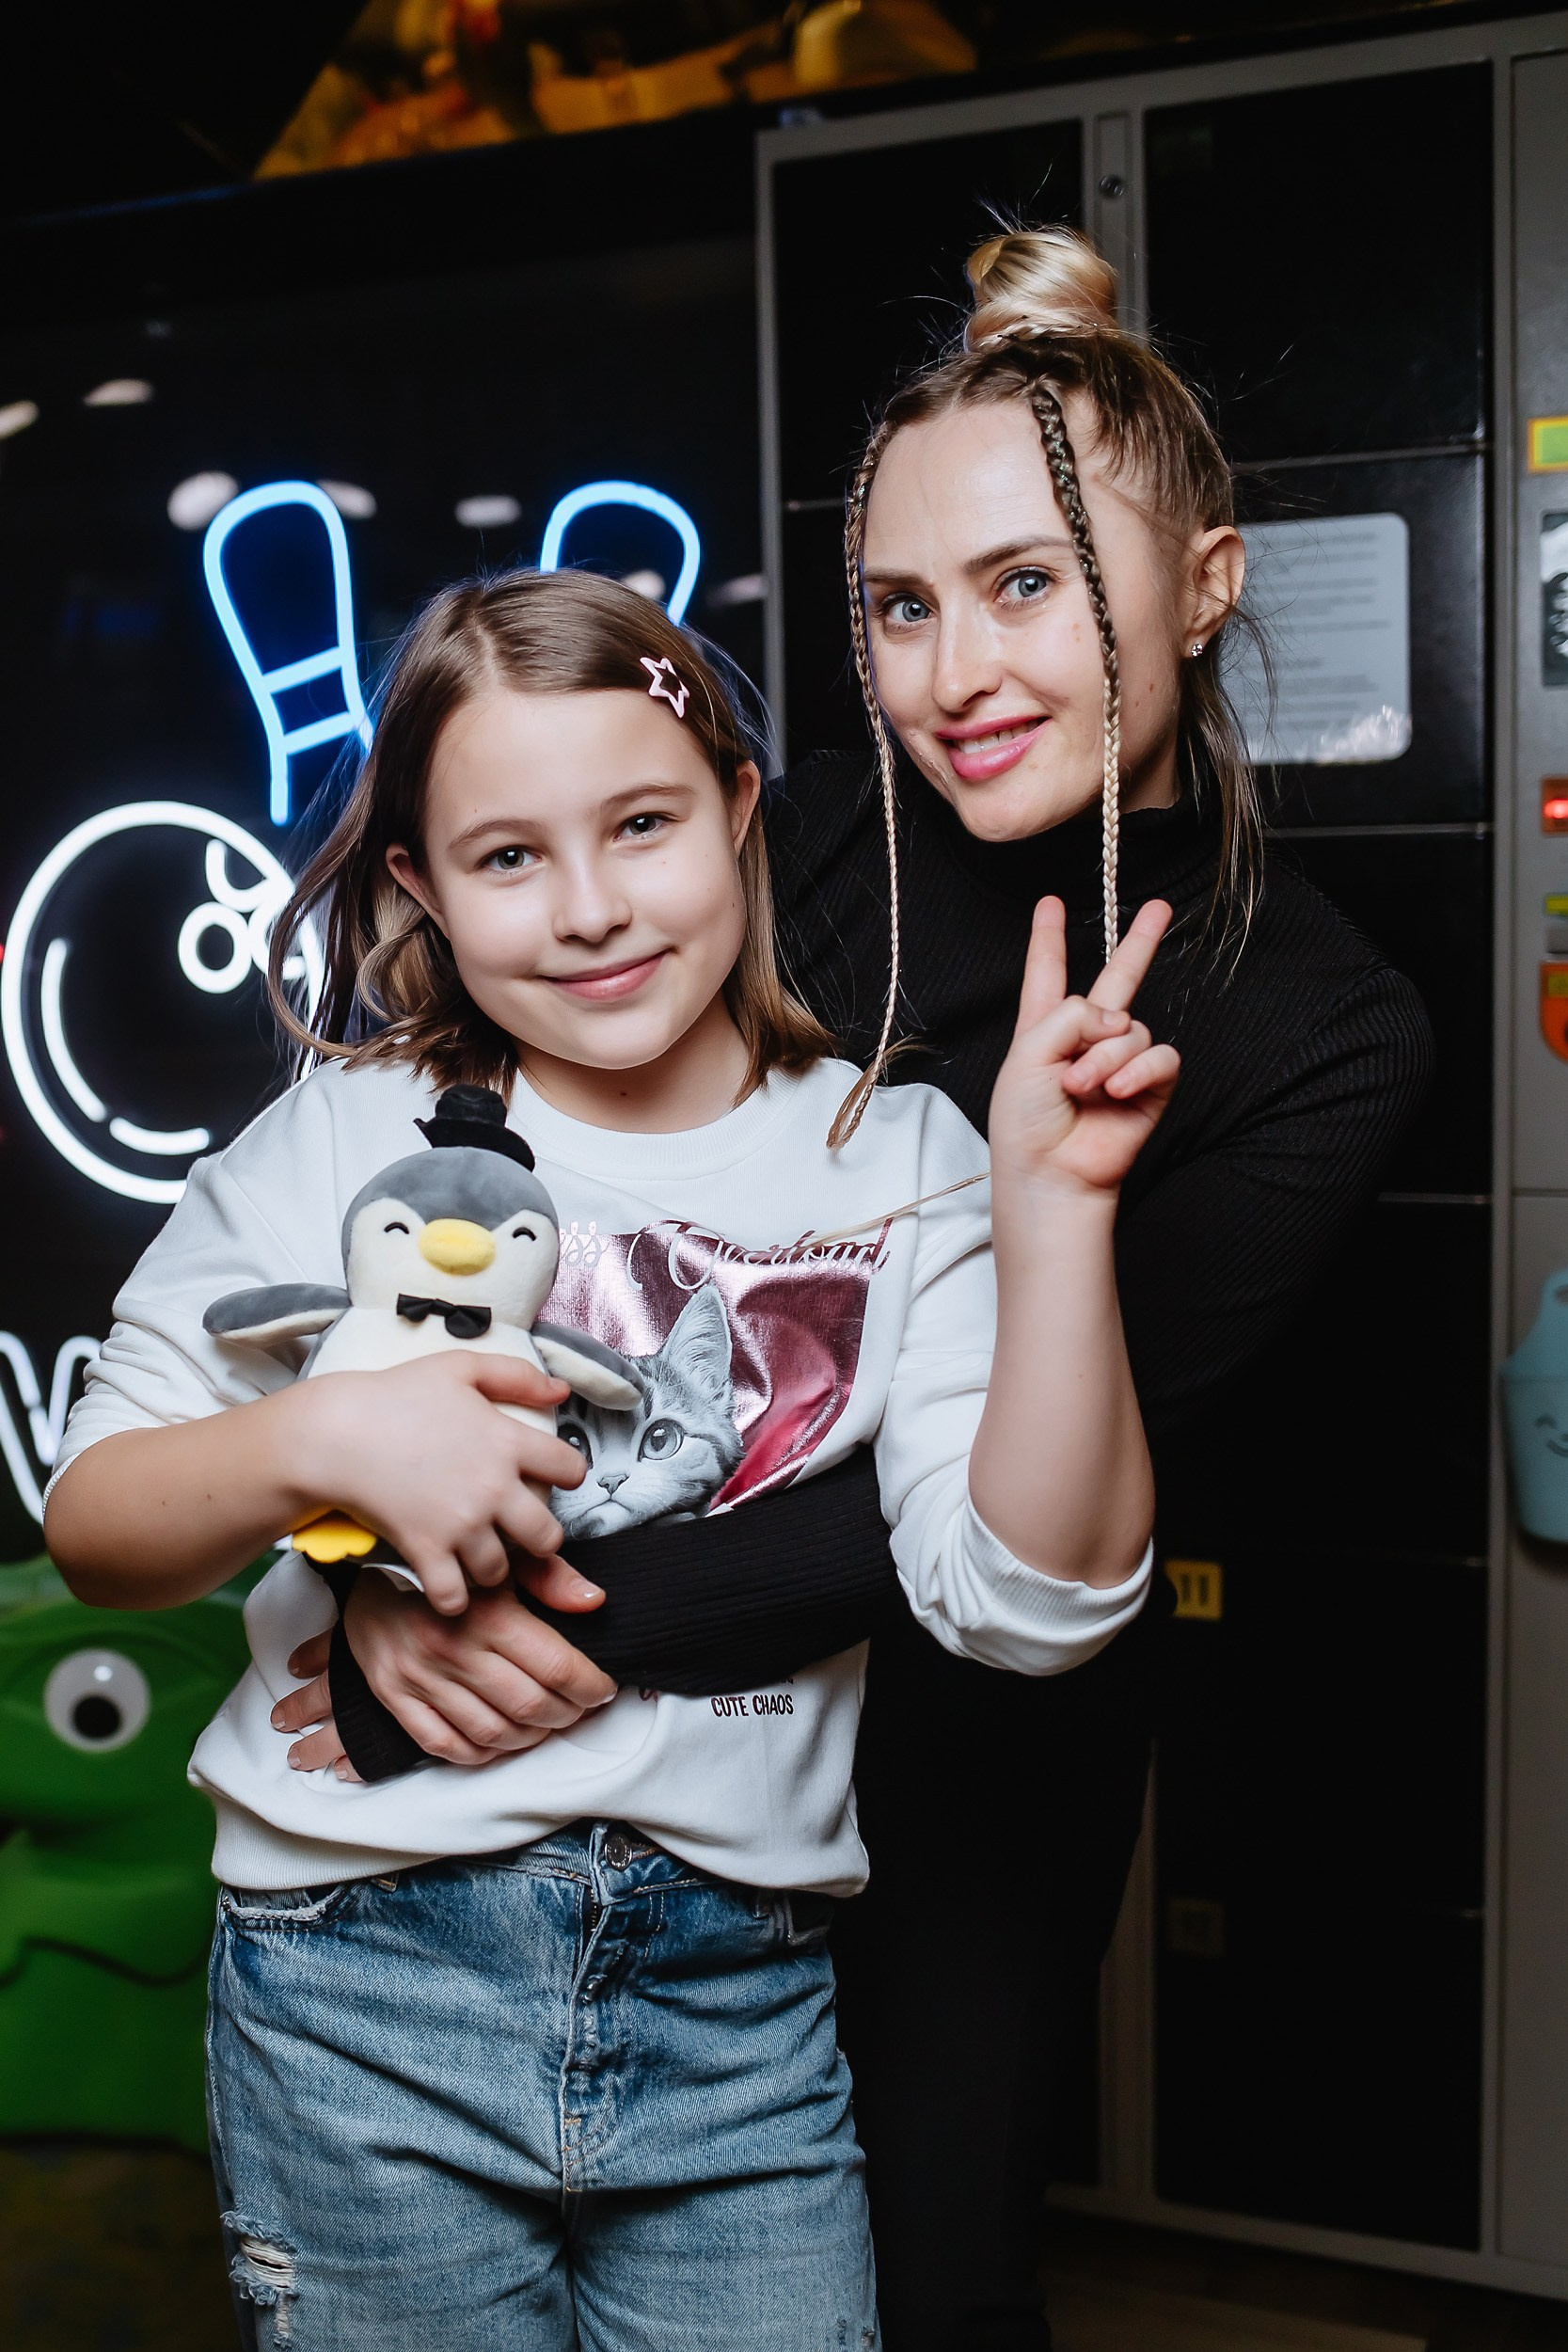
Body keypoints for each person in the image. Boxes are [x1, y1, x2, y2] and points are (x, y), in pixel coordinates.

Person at [272, 229, 1434, 2350]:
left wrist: (469, 1636)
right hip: (620, 1751)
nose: (955, 671)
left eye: (1028, 584)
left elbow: (974, 1516)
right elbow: (464, 1203)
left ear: (1205, 584)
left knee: (928, 2275)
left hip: (970, 1755)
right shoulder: (777, 847)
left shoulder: (1326, 1028)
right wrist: (384, 1547)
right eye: (903, 604)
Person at [43, 564, 1177, 2351]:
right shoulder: (344, 1133)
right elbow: (99, 1525)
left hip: (741, 2015)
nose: (589, 910)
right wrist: (322, 1437)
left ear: (737, 807)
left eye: (642, 824)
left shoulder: (904, 1156)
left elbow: (1028, 1607)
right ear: (420, 886)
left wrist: (1056, 1214)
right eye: (507, 857)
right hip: (361, 1987)